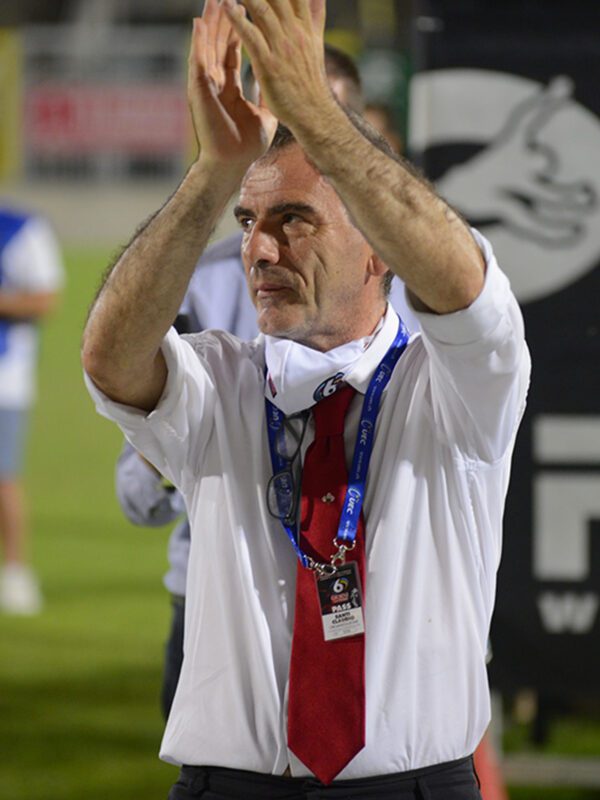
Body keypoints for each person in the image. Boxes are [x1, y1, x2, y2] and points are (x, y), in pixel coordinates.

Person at [83, 1, 530, 797]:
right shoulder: (221, 381)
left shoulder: (452, 387)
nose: (258, 249)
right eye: (249, 220)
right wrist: (214, 170)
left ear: (379, 251)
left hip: (412, 786)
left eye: (294, 220)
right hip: (229, 785)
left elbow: (468, 291)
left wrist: (319, 115)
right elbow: (110, 360)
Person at [115, 42, 419, 720]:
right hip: (225, 606)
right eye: (281, 121)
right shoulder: (203, 281)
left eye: (323, 123)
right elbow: (136, 488)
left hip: (391, 605)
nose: (298, 144)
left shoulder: (424, 287)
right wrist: (173, 449)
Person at [0, 206, 64, 614]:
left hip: (4, 377)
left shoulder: (20, 229)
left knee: (3, 478)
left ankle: (16, 573)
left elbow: (45, 299)